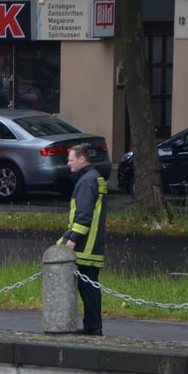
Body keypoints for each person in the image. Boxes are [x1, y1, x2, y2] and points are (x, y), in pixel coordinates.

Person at [60, 143, 107, 335]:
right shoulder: (94, 178)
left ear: (81, 159)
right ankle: (92, 325)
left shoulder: (87, 182)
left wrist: (71, 241)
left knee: (88, 288)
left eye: (71, 160)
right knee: (90, 287)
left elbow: (83, 216)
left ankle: (93, 327)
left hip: (85, 246)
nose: (69, 164)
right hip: (93, 244)